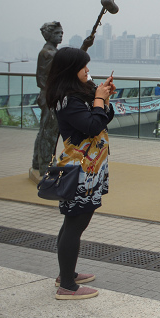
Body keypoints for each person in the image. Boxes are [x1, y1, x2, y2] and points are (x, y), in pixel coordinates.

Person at [45, 47, 116, 299]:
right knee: (75, 224)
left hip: (90, 169)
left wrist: (104, 99)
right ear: (70, 70)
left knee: (73, 223)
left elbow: (103, 119)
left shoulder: (79, 93)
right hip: (80, 171)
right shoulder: (68, 100)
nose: (87, 70)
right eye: (82, 66)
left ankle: (67, 274)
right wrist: (98, 100)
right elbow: (92, 125)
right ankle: (67, 285)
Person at [32, 22, 64, 174]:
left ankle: (37, 161)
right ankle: (47, 165)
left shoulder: (50, 52)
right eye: (57, 33)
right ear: (48, 35)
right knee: (50, 132)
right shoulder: (49, 53)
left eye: (61, 33)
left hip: (48, 94)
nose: (60, 36)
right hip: (51, 95)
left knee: (44, 130)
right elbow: (68, 64)